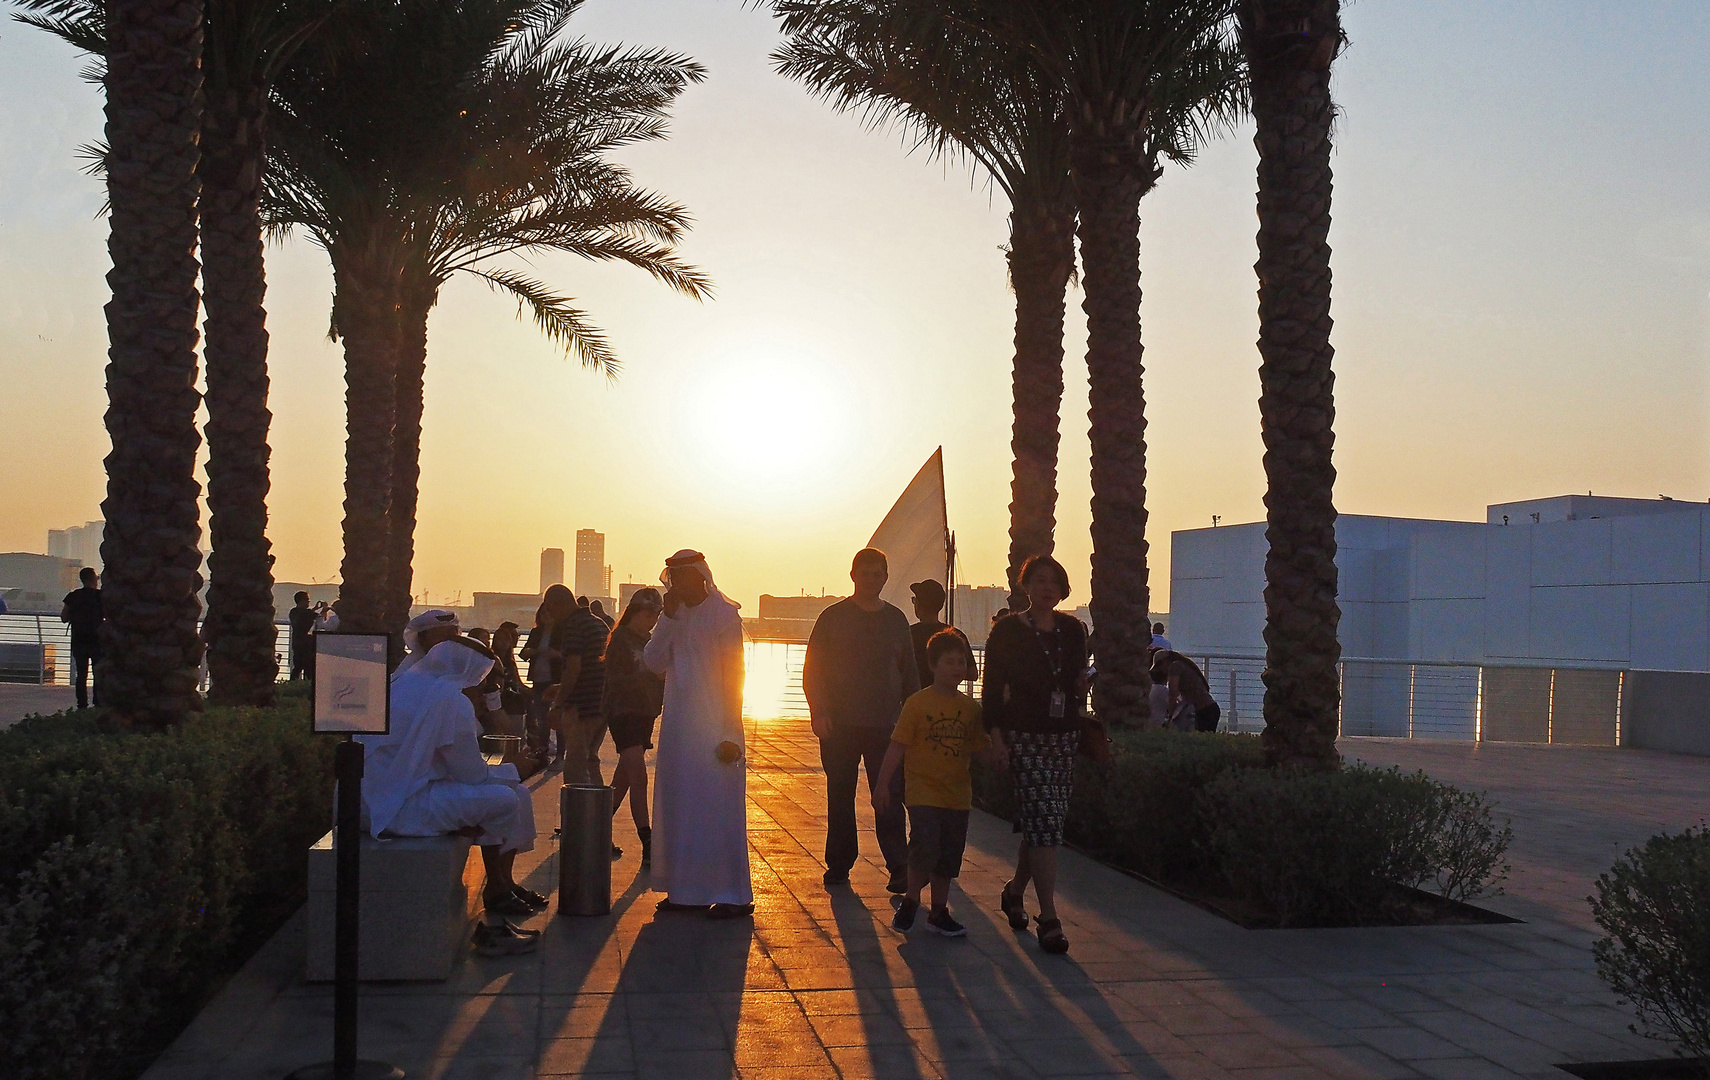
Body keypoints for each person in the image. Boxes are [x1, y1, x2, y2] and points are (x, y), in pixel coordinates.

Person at [358, 637, 544, 955]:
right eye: (484, 683)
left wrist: (509, 774)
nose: (487, 693)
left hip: (373, 800)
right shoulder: (450, 700)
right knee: (507, 798)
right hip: (399, 808)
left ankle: (500, 887)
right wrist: (517, 766)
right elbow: (470, 775)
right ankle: (497, 896)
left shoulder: (404, 680)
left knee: (516, 792)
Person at [982, 554, 1088, 956]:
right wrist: (996, 739)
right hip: (1024, 736)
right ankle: (1049, 916)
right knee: (1045, 824)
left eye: (1054, 581)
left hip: (1061, 737)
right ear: (1026, 585)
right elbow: (992, 690)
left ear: (1063, 589)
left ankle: (1014, 893)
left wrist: (1081, 686)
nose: (1047, 587)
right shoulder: (1007, 631)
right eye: (1039, 580)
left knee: (1043, 824)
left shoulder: (1073, 630)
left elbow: (1077, 686)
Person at [802, 547, 918, 893]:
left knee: (889, 795)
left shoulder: (896, 620)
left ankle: (899, 866)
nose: (871, 580)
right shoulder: (833, 617)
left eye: (877, 574)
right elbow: (814, 668)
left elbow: (909, 673)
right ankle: (839, 864)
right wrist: (818, 710)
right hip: (839, 725)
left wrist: (912, 720)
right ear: (853, 575)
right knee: (840, 794)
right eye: (864, 573)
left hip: (886, 726)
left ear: (885, 577)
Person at [643, 550, 752, 918]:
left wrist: (729, 732)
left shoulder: (723, 616)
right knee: (681, 808)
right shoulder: (672, 617)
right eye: (672, 578)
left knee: (716, 810)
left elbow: (734, 676)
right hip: (678, 730)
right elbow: (652, 662)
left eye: (684, 577)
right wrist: (668, 619)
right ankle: (685, 892)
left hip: (717, 728)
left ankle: (732, 895)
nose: (677, 584)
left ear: (700, 577)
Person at [874, 630, 991, 937]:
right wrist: (882, 785)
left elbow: (982, 749)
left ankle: (938, 911)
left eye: (962, 662)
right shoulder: (917, 704)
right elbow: (897, 746)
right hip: (923, 791)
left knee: (949, 854)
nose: (957, 668)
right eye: (949, 662)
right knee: (925, 844)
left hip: (957, 794)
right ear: (933, 665)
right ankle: (912, 899)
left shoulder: (971, 709)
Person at [602, 588, 666, 865]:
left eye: (656, 615)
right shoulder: (620, 640)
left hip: (644, 714)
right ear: (635, 612)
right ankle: (647, 838)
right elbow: (617, 679)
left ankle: (596, 826)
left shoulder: (651, 642)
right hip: (623, 713)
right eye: (648, 614)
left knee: (624, 777)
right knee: (639, 776)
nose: (651, 620)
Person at [550, 591, 611, 783]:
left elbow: (574, 668)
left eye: (551, 610)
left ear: (559, 605)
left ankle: (577, 811)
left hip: (582, 706)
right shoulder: (598, 623)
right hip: (602, 703)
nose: (552, 616)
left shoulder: (573, 626)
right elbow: (595, 667)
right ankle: (598, 809)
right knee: (591, 760)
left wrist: (557, 704)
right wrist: (560, 687)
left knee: (575, 766)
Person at [521, 585, 574, 761]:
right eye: (544, 614)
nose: (547, 616)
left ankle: (560, 754)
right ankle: (542, 751)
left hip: (555, 679)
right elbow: (523, 652)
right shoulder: (536, 632)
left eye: (549, 613)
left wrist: (555, 654)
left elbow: (568, 656)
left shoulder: (562, 632)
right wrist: (532, 652)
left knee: (558, 718)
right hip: (538, 679)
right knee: (541, 718)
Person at [906, 579, 971, 691]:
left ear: (918, 605)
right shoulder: (954, 635)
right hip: (947, 699)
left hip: (913, 699)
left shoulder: (908, 634)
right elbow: (972, 673)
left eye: (915, 600)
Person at [59, 567, 103, 709]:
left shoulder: (73, 596)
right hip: (97, 640)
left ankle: (82, 705)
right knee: (98, 673)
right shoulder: (100, 596)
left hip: (79, 640)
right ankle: (98, 703)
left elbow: (64, 618)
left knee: (81, 674)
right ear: (93, 579)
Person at [1152, 650, 1219, 732]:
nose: (1160, 669)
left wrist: (1170, 716)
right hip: (1209, 709)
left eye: (1159, 665)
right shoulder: (1184, 665)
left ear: (1166, 660)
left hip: (1204, 711)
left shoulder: (1175, 667)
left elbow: (1173, 693)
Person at [394, 609, 461, 678]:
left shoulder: (465, 665)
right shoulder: (409, 673)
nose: (447, 641)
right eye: (440, 636)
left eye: (451, 635)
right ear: (422, 640)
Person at [287, 592, 317, 680]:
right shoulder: (305, 613)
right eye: (307, 600)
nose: (308, 602)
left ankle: (293, 685)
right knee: (307, 668)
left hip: (297, 643)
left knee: (298, 667)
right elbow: (310, 618)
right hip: (305, 644)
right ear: (302, 601)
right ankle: (306, 686)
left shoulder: (293, 612)